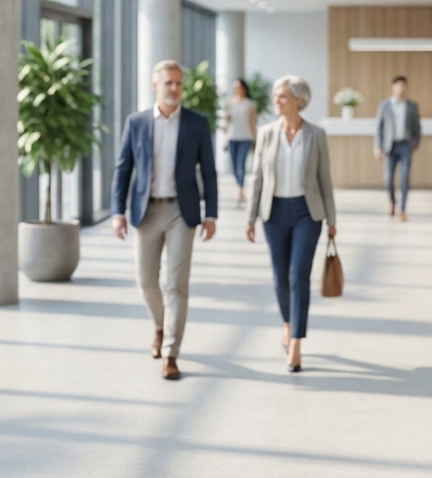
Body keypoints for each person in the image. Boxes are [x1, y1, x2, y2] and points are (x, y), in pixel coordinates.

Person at [110, 60, 219, 380]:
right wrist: (117, 212)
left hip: (181, 213)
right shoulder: (137, 122)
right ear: (155, 86)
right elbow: (123, 169)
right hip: (146, 211)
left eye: (179, 83)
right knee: (146, 282)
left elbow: (209, 172)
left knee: (176, 285)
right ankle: (160, 324)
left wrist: (210, 213)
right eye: (168, 83)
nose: (174, 88)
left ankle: (171, 353)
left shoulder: (197, 124)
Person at [245, 75, 338, 373]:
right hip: (273, 212)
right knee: (280, 278)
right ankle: (287, 322)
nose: (277, 101)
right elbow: (257, 176)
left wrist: (332, 220)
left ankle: (296, 340)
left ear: (299, 100)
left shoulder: (316, 135)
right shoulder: (267, 133)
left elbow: (325, 179)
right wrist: (250, 217)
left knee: (299, 275)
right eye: (276, 96)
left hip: (306, 212)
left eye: (283, 96)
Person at [374, 75, 421, 221]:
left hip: (406, 145)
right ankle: (392, 202)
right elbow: (379, 128)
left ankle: (403, 209)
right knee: (388, 179)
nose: (401, 88)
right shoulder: (384, 105)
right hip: (390, 146)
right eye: (399, 85)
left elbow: (417, 127)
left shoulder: (412, 106)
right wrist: (377, 147)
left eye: (404, 86)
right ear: (393, 87)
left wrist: (416, 142)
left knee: (404, 178)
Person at [223, 78, 258, 207]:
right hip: (232, 137)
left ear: (244, 88)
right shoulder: (230, 103)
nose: (237, 89)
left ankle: (240, 191)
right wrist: (225, 138)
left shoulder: (250, 104)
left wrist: (255, 138)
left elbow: (252, 121)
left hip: (246, 137)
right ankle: (240, 187)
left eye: (239, 86)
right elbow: (227, 121)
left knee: (240, 165)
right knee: (234, 167)